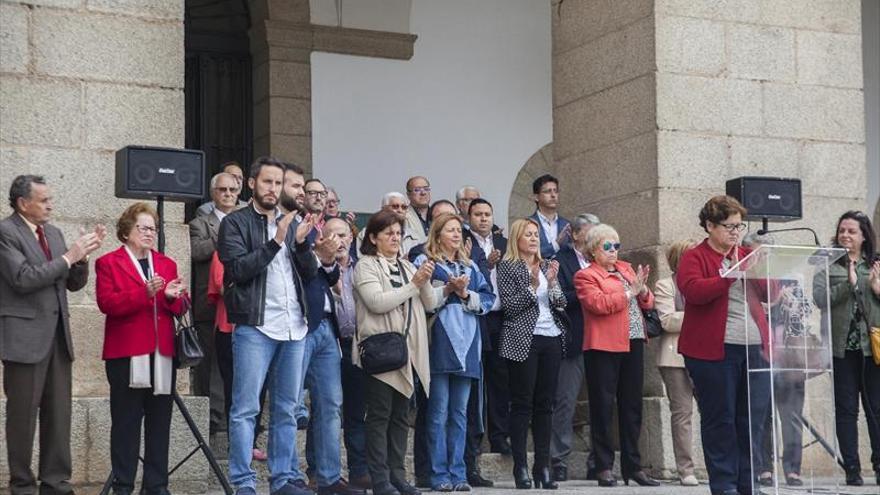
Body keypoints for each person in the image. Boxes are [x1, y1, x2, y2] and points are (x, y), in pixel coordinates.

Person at [217, 156, 332, 495]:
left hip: (294, 327)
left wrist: (302, 246)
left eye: (278, 183)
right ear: (251, 184)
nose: (273, 189)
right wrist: (276, 241)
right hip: (256, 326)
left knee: (286, 409)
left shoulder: (291, 223)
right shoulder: (235, 223)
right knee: (246, 409)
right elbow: (236, 270)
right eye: (267, 182)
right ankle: (243, 482)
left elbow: (309, 273)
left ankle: (283, 479)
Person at [0, 175, 104, 495]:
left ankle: (56, 483)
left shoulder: (55, 234)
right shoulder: (6, 232)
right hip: (24, 338)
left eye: (50, 199)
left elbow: (71, 283)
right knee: (22, 417)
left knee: (59, 415)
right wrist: (69, 257)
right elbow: (23, 278)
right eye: (44, 200)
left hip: (58, 338)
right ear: (23, 203)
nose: (50, 205)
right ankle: (22, 485)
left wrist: (82, 260)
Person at [677, 195, 774, 495]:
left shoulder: (747, 253)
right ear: (709, 225)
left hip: (755, 347)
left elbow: (770, 294)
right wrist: (729, 275)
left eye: (739, 225)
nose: (735, 231)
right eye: (728, 225)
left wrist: (761, 269)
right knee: (721, 419)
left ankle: (748, 484)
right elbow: (693, 292)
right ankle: (724, 485)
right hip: (713, 352)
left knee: (751, 421)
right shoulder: (695, 257)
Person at [96, 202, 188, 495]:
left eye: (154, 229)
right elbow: (107, 304)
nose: (150, 233)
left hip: (162, 354)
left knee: (160, 423)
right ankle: (123, 485)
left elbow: (181, 306)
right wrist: (144, 293)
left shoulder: (166, 263)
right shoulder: (109, 262)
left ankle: (156, 485)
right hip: (127, 354)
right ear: (127, 231)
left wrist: (173, 297)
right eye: (144, 228)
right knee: (126, 423)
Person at [353, 209, 438, 495]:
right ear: (373, 237)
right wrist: (413, 285)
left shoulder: (407, 266)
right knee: (379, 416)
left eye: (399, 233)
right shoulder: (365, 265)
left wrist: (425, 278)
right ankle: (380, 479)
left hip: (409, 352)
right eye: (388, 233)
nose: (395, 238)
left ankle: (398, 476)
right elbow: (376, 302)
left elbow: (429, 303)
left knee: (402, 416)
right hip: (380, 351)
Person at [414, 213, 494, 492]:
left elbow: (488, 299)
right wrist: (448, 289)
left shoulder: (470, 266)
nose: (457, 235)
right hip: (440, 340)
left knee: (460, 412)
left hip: (469, 341)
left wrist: (464, 295)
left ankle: (458, 473)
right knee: (438, 411)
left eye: (459, 230)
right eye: (450, 230)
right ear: (437, 235)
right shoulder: (426, 263)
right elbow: (420, 300)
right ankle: (438, 475)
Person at [575, 223, 659, 487]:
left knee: (632, 406)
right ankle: (603, 466)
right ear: (593, 250)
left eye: (617, 246)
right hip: (603, 346)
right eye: (607, 246)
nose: (614, 251)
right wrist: (629, 292)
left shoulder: (625, 269)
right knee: (602, 406)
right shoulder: (585, 275)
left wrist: (643, 291)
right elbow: (598, 304)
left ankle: (633, 467)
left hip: (632, 341)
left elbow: (647, 302)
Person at [496, 218, 568, 490]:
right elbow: (510, 307)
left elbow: (561, 302)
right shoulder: (507, 266)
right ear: (517, 239)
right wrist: (531, 285)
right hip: (521, 340)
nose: (534, 238)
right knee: (522, 404)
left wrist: (549, 283)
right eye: (528, 234)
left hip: (551, 338)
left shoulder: (548, 265)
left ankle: (543, 466)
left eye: (536, 234)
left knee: (546, 405)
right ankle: (521, 468)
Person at [813, 210, 880, 487]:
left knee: (875, 408)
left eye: (851, 231)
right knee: (846, 409)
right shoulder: (827, 264)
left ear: (864, 236)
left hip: (872, 349)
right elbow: (819, 298)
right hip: (842, 350)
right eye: (842, 230)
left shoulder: (875, 264)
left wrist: (876, 290)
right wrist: (848, 286)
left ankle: (879, 465)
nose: (845, 236)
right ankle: (852, 467)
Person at [189, 172, 241, 436]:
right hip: (209, 305)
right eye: (223, 190)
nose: (228, 194)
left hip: (240, 306)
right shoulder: (200, 222)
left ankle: (232, 415)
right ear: (213, 193)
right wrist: (225, 233)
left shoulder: (246, 221)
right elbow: (197, 251)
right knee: (209, 365)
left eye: (233, 190)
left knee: (235, 365)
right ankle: (212, 416)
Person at [550, 213, 600, 482]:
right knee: (565, 401)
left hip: (602, 340)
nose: (597, 238)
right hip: (573, 339)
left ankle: (598, 460)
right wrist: (586, 293)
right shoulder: (561, 261)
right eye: (592, 232)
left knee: (600, 403)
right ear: (576, 234)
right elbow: (557, 298)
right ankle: (558, 459)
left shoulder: (604, 261)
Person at [463, 199, 508, 487]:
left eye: (487, 214)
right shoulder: (464, 240)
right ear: (469, 217)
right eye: (478, 214)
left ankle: (501, 436)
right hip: (478, 317)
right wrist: (485, 262)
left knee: (501, 379)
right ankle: (476, 441)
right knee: (478, 385)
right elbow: (470, 274)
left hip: (503, 316)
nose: (483, 218)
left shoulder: (503, 240)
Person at [325, 217, 371, 489]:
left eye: (343, 235)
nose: (339, 241)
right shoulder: (319, 266)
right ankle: (319, 471)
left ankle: (359, 469)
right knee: (326, 409)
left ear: (351, 239)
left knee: (356, 411)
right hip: (328, 342)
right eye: (332, 235)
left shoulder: (362, 268)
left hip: (356, 344)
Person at [654, 238, 699, 487]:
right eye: (692, 256)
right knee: (682, 414)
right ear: (680, 260)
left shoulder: (703, 284)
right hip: (675, 358)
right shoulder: (665, 284)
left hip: (706, 355)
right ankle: (686, 470)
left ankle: (717, 465)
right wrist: (702, 316)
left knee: (713, 412)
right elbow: (668, 321)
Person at [528, 175, 570, 259]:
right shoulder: (527, 224)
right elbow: (528, 253)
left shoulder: (566, 224)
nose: (553, 195)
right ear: (536, 197)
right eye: (547, 191)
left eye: (556, 191)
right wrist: (556, 244)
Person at [403, 176, 431, 255]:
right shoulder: (404, 216)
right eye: (417, 190)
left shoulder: (436, 214)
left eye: (426, 189)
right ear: (408, 195)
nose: (423, 193)